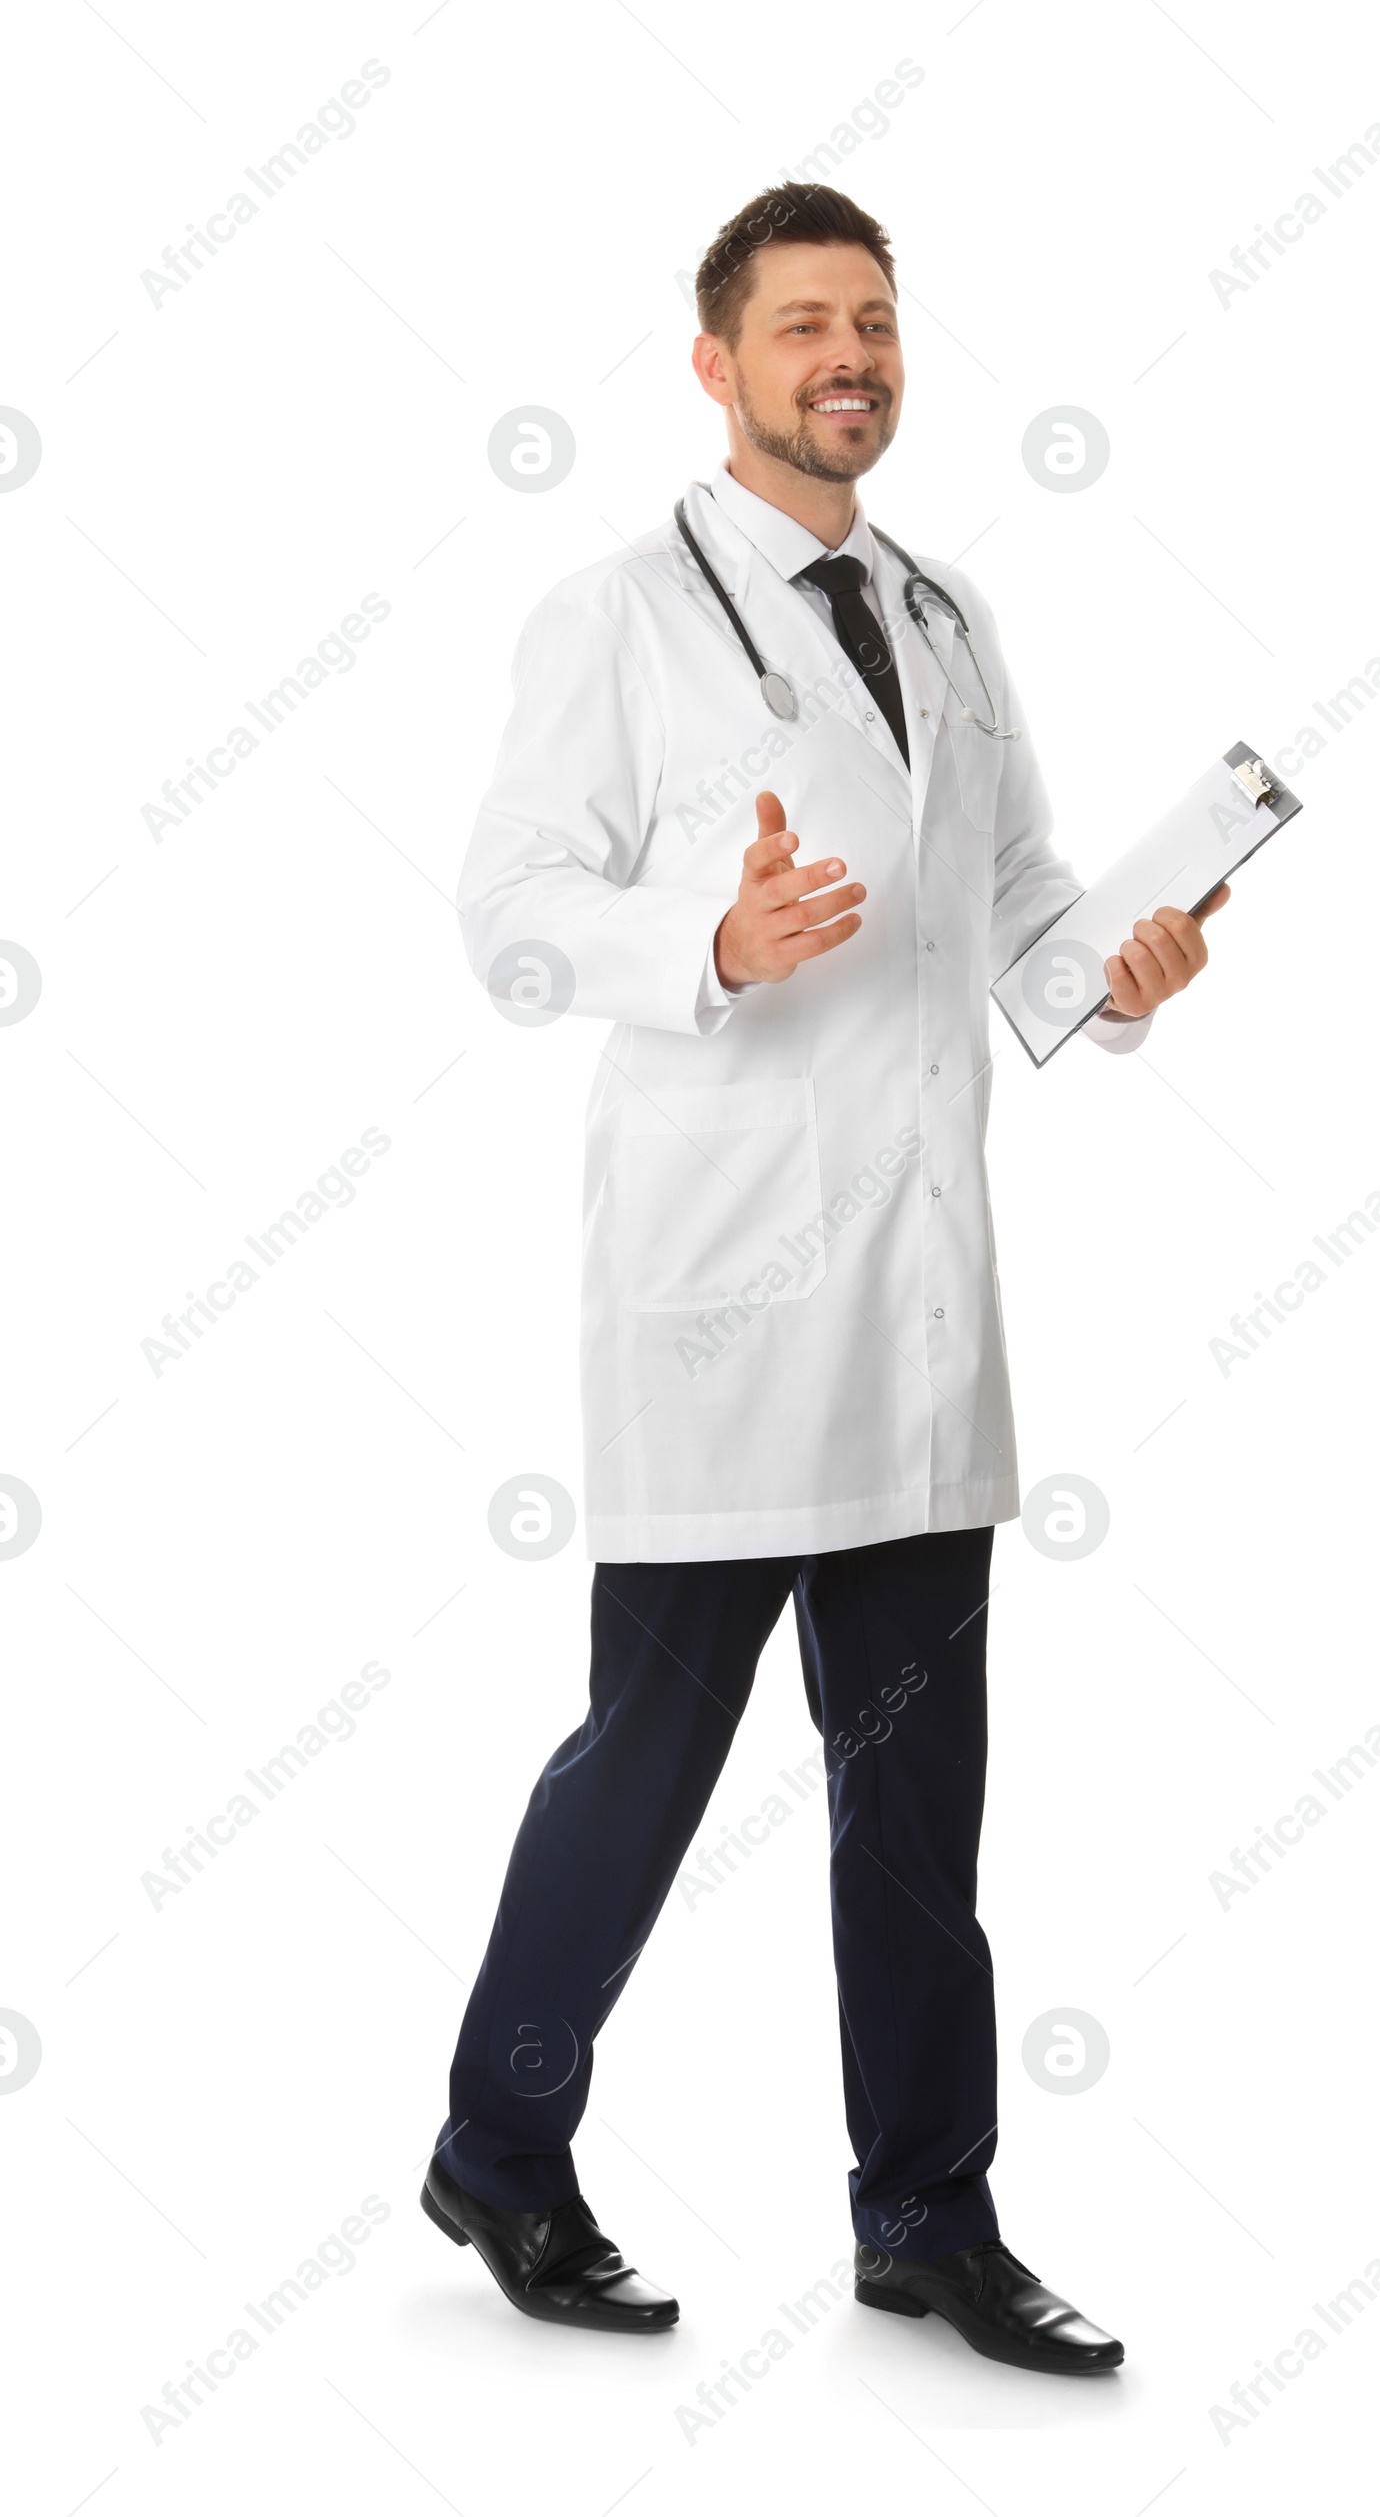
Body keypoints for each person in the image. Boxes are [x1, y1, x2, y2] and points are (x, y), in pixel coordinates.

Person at [427, 181, 1228, 2376]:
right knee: (646, 1766)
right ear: (717, 364)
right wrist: (701, 940)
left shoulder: (950, 615)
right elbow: (503, 906)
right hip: (725, 1306)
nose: (845, 356)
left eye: (871, 320)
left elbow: (1026, 907)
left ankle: (928, 2219)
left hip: (922, 1313)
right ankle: (496, 2159)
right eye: (800, 326)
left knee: (919, 1804)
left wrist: (1126, 965)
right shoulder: (619, 616)